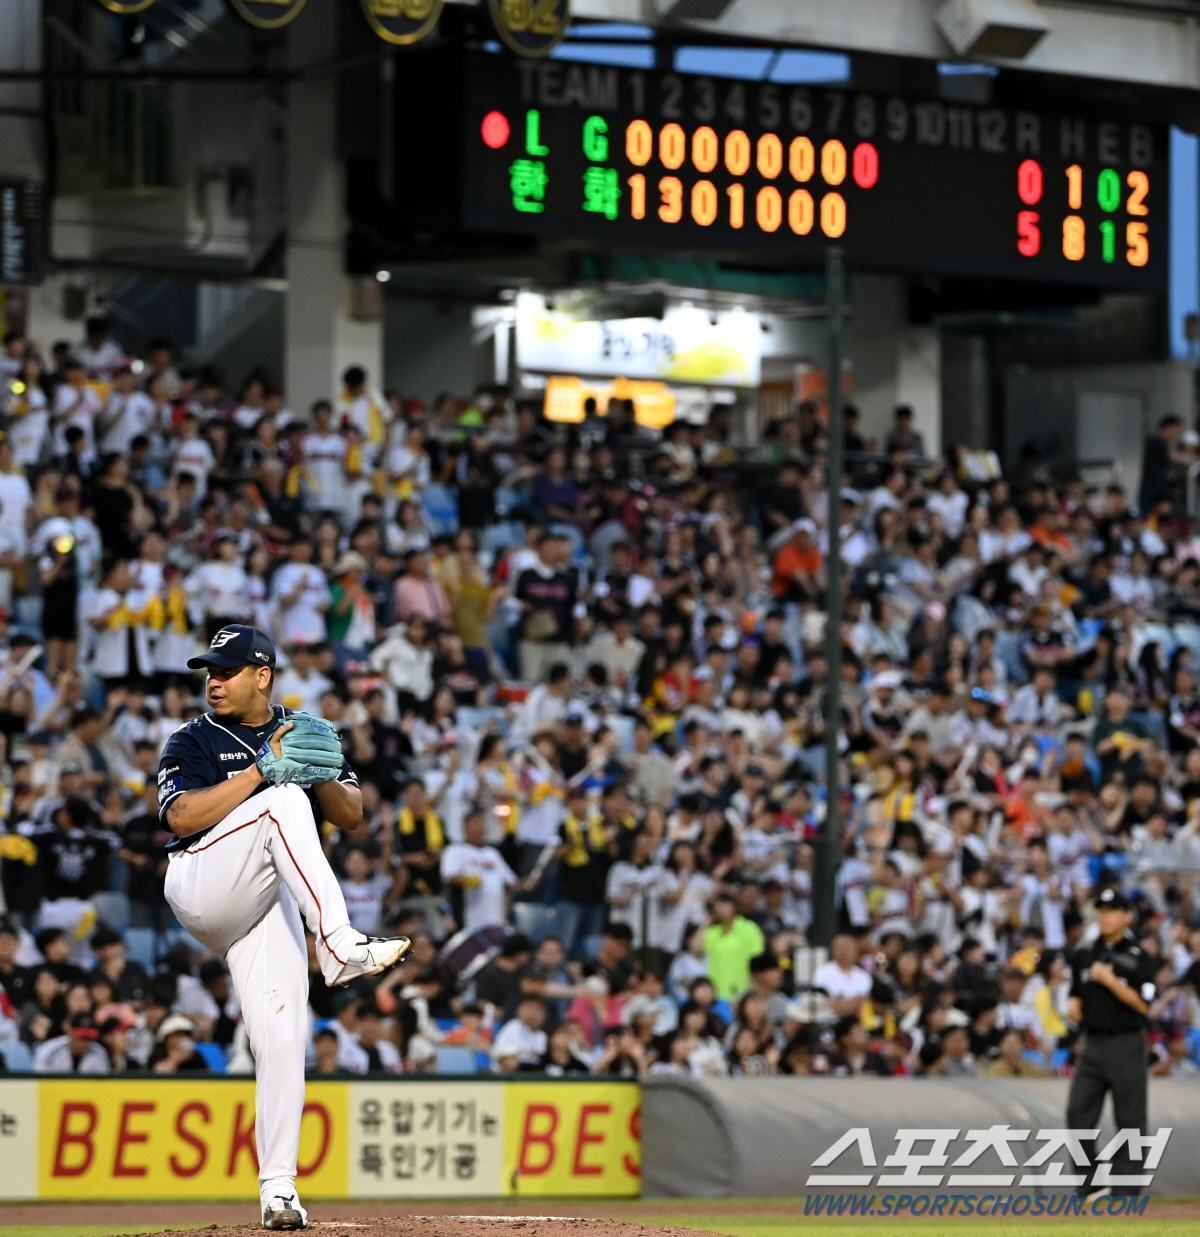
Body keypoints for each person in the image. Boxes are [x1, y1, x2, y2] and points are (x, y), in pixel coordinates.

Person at [156, 623, 410, 1230]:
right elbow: (179, 814)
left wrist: (315, 770)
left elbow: (351, 817)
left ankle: (279, 1190)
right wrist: (261, 774)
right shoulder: (191, 738)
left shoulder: (305, 731)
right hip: (201, 880)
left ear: (262, 676)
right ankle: (340, 944)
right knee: (281, 800)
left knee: (283, 1039)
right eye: (209, 672)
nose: (213, 681)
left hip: (264, 904)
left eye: (226, 670)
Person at [1066, 888, 1158, 1195]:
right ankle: (1090, 1188)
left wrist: (1111, 982)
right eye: (1101, 910)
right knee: (1077, 1114)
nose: (1105, 916)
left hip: (1126, 1042)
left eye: (1112, 911)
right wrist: (1074, 1006)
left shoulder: (1139, 958)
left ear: (1126, 917)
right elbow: (1076, 996)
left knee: (1130, 1120)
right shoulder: (1084, 954)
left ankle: (1126, 1193)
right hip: (1092, 1043)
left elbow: (1145, 1004)